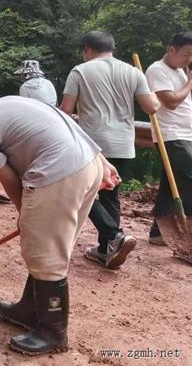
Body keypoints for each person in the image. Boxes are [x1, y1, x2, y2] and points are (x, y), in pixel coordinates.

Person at [0, 97, 120, 355]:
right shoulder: (2, 104)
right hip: (88, 163)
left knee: (45, 253)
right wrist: (102, 161)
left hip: (59, 171)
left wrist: (26, 216)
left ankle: (52, 332)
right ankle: (29, 310)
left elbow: (8, 179)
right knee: (49, 245)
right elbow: (62, 120)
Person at [60, 31, 159, 269]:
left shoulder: (80, 71)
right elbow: (151, 107)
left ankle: (114, 235)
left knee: (84, 192)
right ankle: (106, 251)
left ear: (87, 49)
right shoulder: (133, 72)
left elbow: (66, 110)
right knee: (110, 195)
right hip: (124, 143)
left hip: (93, 143)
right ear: (112, 48)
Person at [144, 32, 192, 249]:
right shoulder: (157, 70)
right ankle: (187, 236)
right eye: (186, 54)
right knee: (188, 181)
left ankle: (158, 233)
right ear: (171, 49)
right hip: (171, 135)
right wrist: (190, 82)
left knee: (169, 184)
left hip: (186, 133)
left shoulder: (181, 71)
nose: (188, 60)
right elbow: (170, 101)